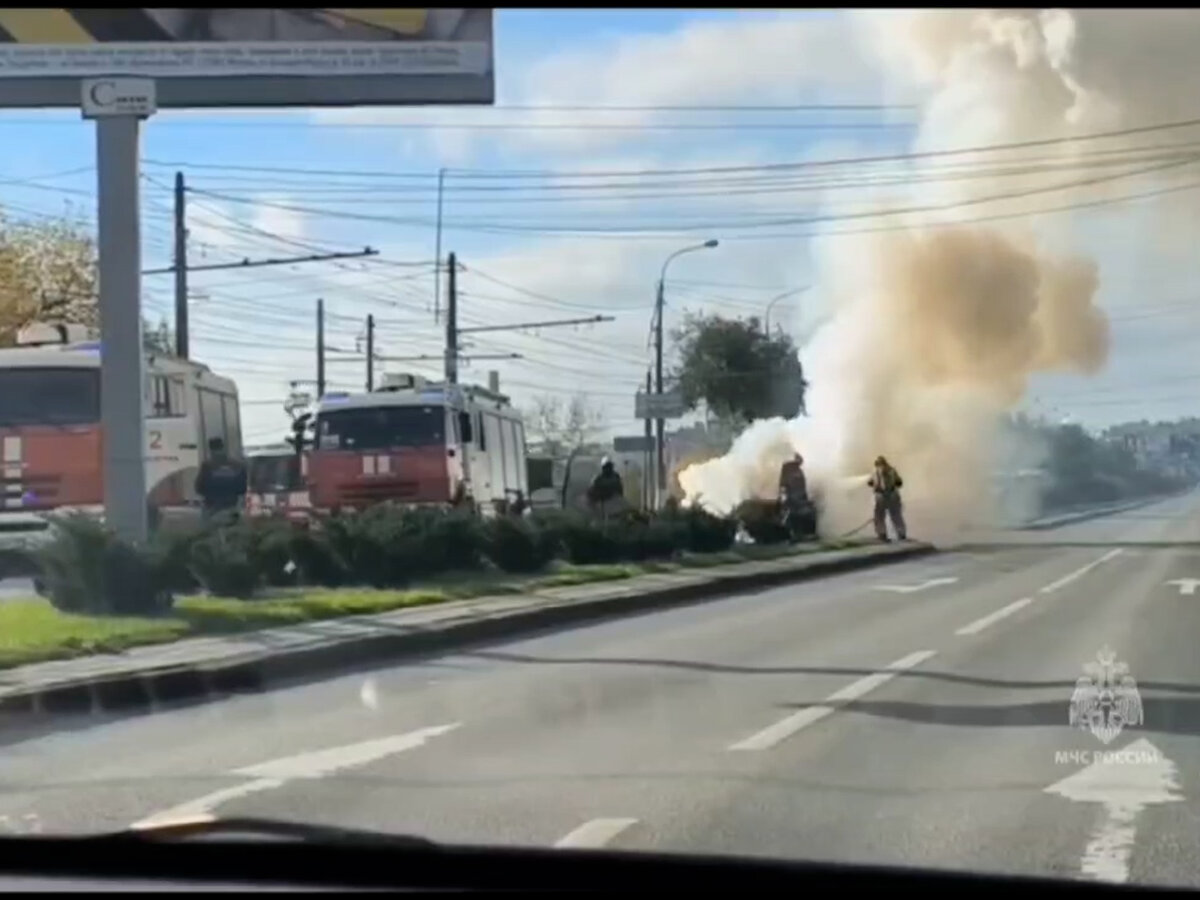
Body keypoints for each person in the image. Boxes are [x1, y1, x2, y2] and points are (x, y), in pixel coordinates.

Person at [195, 437, 248, 520]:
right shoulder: (237, 465)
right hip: (231, 505)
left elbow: (199, 487)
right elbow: (243, 488)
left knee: (207, 529)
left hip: (212, 507)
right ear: (223, 447)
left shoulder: (207, 466)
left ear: (210, 450)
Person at [867, 455, 907, 542]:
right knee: (896, 516)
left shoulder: (875, 471)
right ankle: (901, 534)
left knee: (879, 516)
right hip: (893, 496)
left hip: (880, 497)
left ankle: (882, 534)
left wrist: (872, 483)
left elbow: (870, 483)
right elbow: (899, 482)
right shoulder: (892, 470)